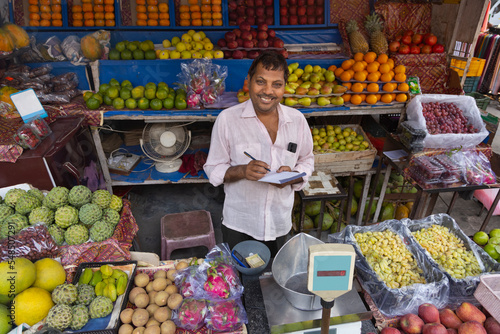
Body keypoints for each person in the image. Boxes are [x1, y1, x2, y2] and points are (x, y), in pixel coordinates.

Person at [203, 51, 314, 257]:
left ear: (284, 87)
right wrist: (242, 171)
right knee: (241, 279)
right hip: (240, 224)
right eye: (261, 82)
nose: (268, 91)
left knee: (275, 278)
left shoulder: (297, 120)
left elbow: (307, 160)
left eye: (277, 84)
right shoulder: (228, 120)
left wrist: (292, 175)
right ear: (249, 81)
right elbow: (213, 168)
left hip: (280, 222)